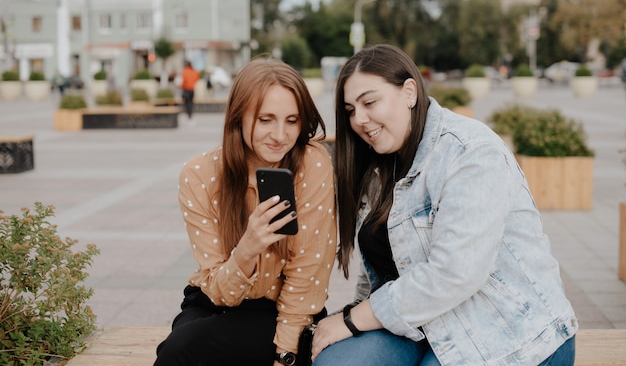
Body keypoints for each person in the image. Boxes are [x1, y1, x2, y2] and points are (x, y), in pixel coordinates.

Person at [311, 44, 577, 366]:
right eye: (351, 109)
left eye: (370, 102)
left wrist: (352, 319)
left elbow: (455, 273)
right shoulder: (380, 162)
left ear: (410, 92)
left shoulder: (470, 152)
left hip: (507, 330)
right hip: (419, 325)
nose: (360, 120)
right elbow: (379, 265)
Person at [154, 57, 337, 366]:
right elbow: (217, 290)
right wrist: (249, 247)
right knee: (176, 351)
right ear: (238, 116)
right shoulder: (200, 174)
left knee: (180, 351)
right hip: (215, 300)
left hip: (285, 307)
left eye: (292, 121)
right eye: (266, 119)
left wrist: (286, 355)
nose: (280, 135)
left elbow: (309, 271)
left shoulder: (311, 163)